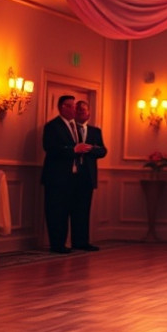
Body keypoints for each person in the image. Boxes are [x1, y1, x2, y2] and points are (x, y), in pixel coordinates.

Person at [41, 95, 102, 253]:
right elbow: (50, 148)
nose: (76, 109)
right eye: (72, 106)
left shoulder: (77, 126)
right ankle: (57, 244)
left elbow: (95, 147)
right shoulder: (52, 126)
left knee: (79, 211)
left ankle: (80, 242)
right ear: (63, 107)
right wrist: (73, 150)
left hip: (77, 177)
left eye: (75, 106)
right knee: (57, 211)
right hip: (57, 177)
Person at [70, 100, 107, 251]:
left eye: (84, 111)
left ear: (89, 113)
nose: (81, 113)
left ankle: (82, 241)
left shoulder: (95, 131)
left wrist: (90, 149)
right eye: (78, 111)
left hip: (88, 176)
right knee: (69, 209)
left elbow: (103, 151)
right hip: (71, 174)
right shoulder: (70, 129)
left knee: (84, 210)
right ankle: (68, 242)